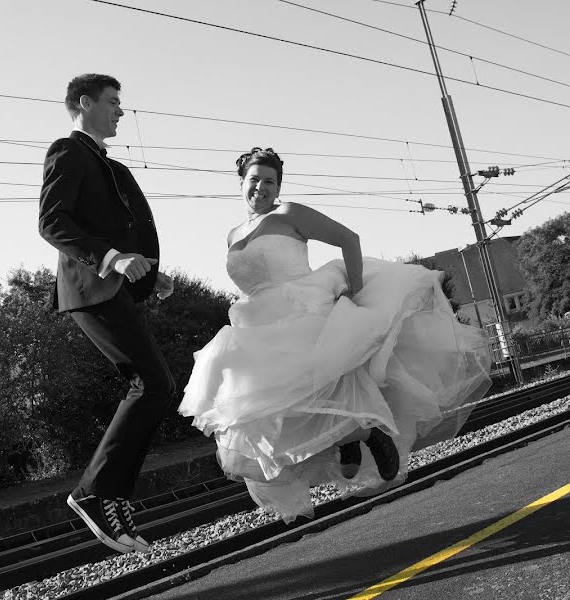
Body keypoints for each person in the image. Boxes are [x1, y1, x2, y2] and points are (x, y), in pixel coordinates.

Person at [179, 147, 492, 523]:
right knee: (267, 412)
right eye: (254, 180)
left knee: (320, 384)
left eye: (270, 181)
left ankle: (363, 434)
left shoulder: (288, 213)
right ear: (241, 182)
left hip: (304, 308)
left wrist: (354, 291)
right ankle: (348, 441)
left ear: (278, 186)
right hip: (258, 322)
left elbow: (349, 238)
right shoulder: (232, 234)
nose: (261, 187)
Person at [38, 74, 176, 554]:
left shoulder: (109, 166)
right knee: (153, 384)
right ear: (84, 103)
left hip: (114, 286)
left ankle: (111, 496)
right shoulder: (68, 151)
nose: (121, 111)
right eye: (113, 102)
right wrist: (111, 258)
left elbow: (116, 224)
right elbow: (51, 221)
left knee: (159, 387)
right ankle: (95, 493)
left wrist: (146, 273)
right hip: (90, 288)